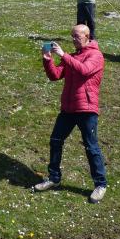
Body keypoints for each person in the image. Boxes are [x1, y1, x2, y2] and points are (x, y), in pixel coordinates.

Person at [34, 24, 107, 204]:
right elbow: (56, 76)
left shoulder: (95, 55)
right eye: (72, 36)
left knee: (91, 147)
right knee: (56, 140)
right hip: (68, 108)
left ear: (87, 36)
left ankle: (100, 185)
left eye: (76, 36)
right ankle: (54, 178)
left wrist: (63, 55)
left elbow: (84, 71)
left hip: (87, 109)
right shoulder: (72, 56)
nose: (73, 39)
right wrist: (48, 60)